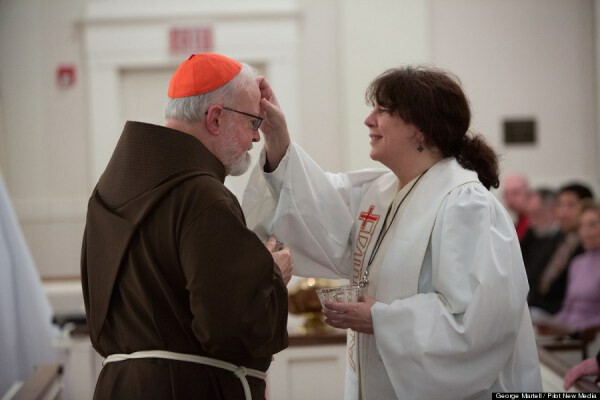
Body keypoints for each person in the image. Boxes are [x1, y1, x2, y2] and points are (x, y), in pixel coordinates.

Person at [244, 66, 542, 399]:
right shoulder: (381, 192)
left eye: (382, 110)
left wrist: (382, 320)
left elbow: (480, 324)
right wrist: (276, 135)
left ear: (421, 130)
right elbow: (318, 208)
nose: (369, 120)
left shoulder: (467, 204)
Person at [81, 53, 292, 400]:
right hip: (186, 389)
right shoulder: (203, 195)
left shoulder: (107, 190)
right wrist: (271, 275)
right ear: (215, 118)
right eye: (254, 124)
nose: (256, 139)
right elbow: (231, 331)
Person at [528, 183, 594, 315]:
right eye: (560, 205)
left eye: (570, 205)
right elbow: (533, 276)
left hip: (560, 316)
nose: (562, 212)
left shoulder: (588, 248)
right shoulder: (556, 239)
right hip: (537, 308)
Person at [535, 201, 600, 336]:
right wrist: (551, 325)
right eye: (581, 226)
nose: (585, 232)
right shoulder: (577, 263)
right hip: (567, 336)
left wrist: (576, 331)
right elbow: (567, 309)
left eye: (592, 225)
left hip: (589, 339)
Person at [502, 174, 532, 240]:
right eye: (506, 194)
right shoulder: (517, 223)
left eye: (515, 193)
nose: (510, 200)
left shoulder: (534, 223)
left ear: (528, 193)